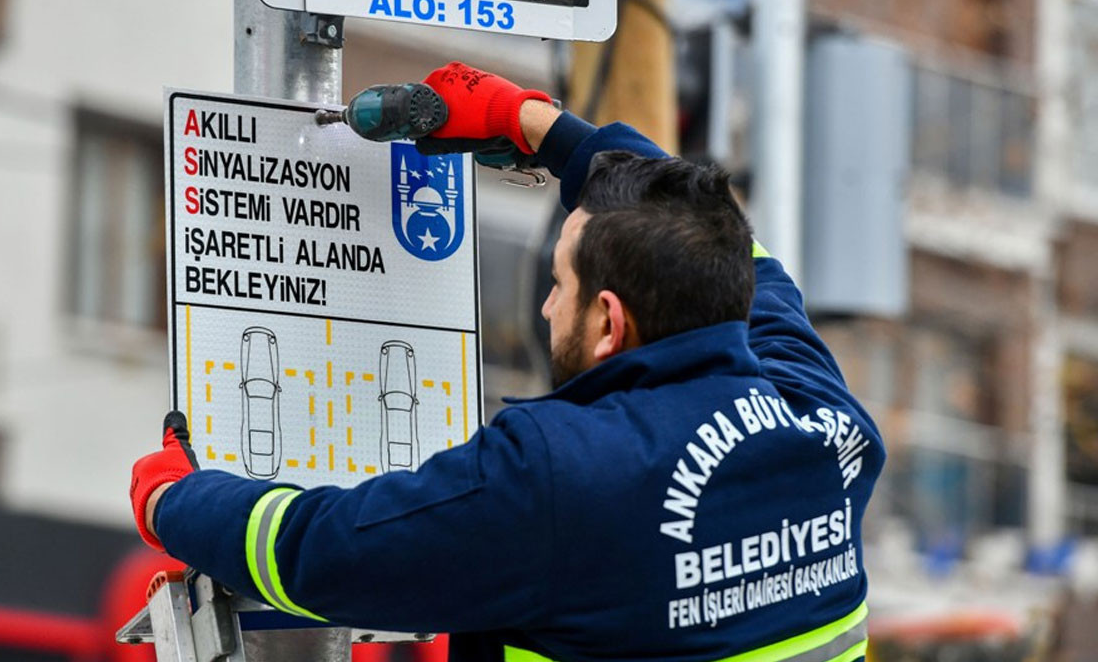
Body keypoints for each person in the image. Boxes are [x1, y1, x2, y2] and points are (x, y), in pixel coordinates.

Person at [130, 62, 885, 662]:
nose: (548, 307)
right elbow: (736, 248)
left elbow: (322, 552)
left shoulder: (560, 477)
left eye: (560, 284)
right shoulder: (823, 420)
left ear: (609, 321)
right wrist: (537, 126)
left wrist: (173, 500)